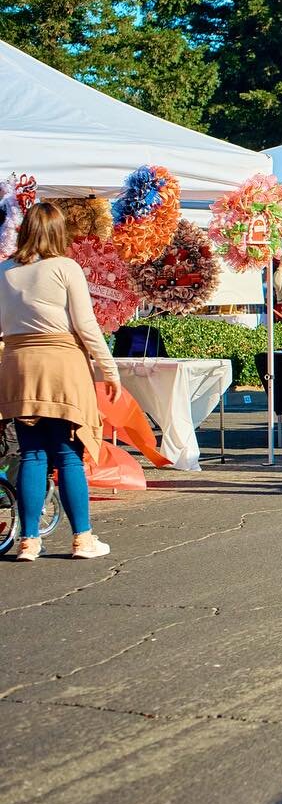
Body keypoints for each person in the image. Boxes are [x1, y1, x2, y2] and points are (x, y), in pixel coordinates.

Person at [0, 203, 118, 560]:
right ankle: (83, 538)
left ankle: (29, 540)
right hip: (62, 364)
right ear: (58, 232)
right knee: (68, 454)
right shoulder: (66, 267)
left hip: (18, 366)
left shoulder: (3, 270)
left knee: (32, 452)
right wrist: (109, 369)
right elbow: (86, 326)